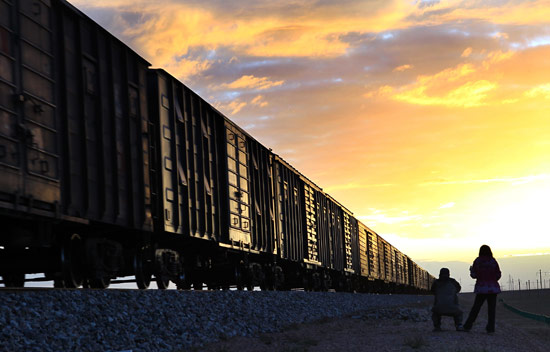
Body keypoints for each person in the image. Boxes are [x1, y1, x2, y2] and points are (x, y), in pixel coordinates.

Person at [463, 244, 501, 334]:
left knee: (476, 308)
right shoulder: (493, 261)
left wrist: (471, 270)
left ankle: (468, 326)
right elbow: (498, 275)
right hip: (493, 289)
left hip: (481, 288)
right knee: (491, 310)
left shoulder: (478, 261)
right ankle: (490, 329)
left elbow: (474, 275)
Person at [431, 267, 464, 331]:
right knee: (459, 312)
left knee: (435, 312)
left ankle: (437, 326)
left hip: (439, 308)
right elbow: (458, 288)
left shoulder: (436, 282)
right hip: (453, 308)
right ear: (449, 274)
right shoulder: (453, 281)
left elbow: (433, 291)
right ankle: (459, 325)